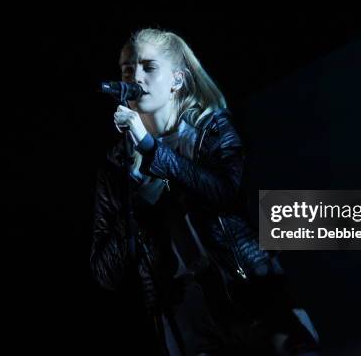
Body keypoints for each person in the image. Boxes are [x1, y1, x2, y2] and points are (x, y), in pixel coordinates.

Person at [91, 28, 319, 355]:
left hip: (246, 288)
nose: (135, 76)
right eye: (128, 69)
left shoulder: (211, 130)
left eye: (148, 67)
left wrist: (150, 146)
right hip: (185, 315)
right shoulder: (116, 168)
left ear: (177, 80)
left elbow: (226, 194)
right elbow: (105, 272)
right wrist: (138, 204)